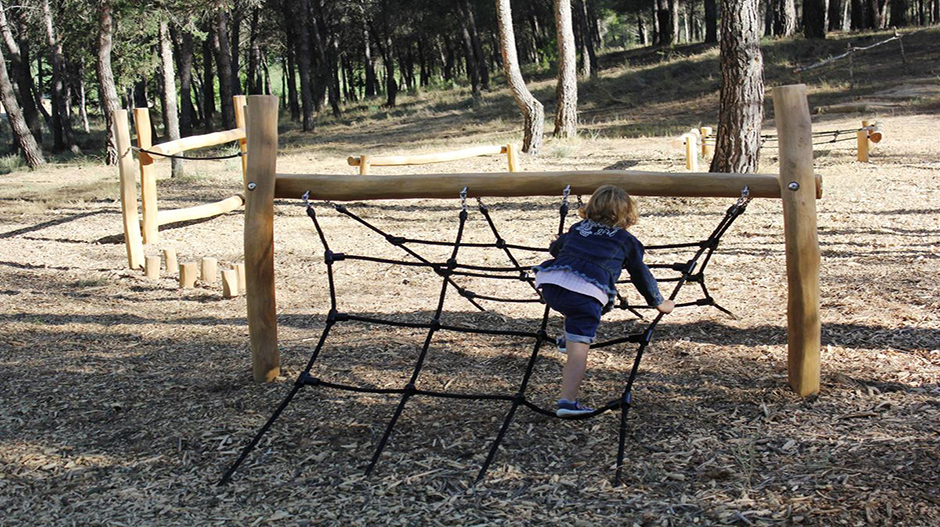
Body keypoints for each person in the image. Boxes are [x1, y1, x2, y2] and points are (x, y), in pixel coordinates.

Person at [533, 185, 675, 417]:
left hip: (550, 285)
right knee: (580, 347)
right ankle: (567, 402)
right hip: (586, 294)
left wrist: (557, 243)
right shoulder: (627, 241)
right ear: (627, 215)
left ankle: (567, 340)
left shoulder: (578, 228)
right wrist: (659, 302)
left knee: (575, 307)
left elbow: (556, 249)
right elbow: (641, 275)